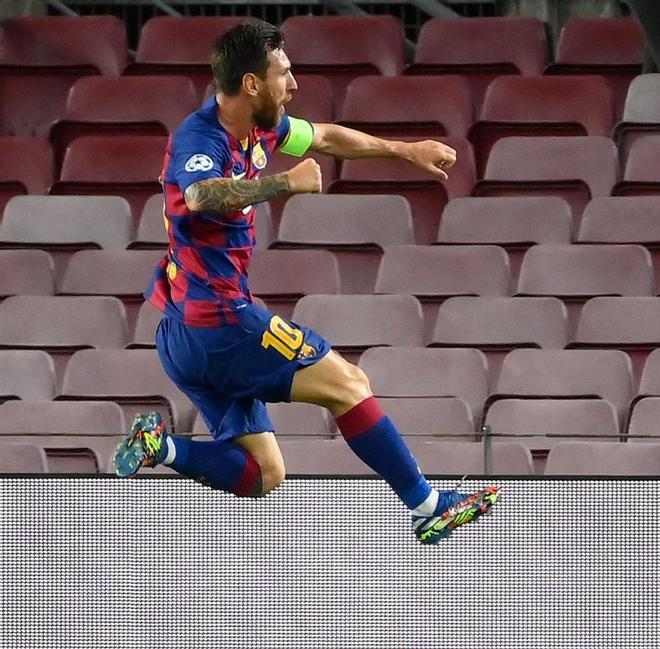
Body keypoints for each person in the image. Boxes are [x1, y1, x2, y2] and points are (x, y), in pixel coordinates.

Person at [113, 19, 500, 544]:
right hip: (220, 324)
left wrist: (405, 150)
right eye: (284, 73)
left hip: (180, 333)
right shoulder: (200, 138)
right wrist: (283, 183)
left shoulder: (260, 124)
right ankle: (426, 505)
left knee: (263, 475)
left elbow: (326, 138)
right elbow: (202, 196)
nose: (293, 84)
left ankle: (163, 449)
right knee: (348, 385)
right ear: (252, 83)